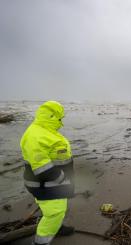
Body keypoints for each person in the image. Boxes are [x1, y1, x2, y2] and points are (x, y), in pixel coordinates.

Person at [20, 101, 75, 245]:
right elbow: (41, 166)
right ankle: (40, 242)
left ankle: (57, 226)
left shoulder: (45, 130)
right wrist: (62, 178)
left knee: (55, 208)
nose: (61, 121)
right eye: (59, 118)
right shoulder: (35, 135)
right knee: (55, 212)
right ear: (51, 117)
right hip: (45, 183)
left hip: (53, 182)